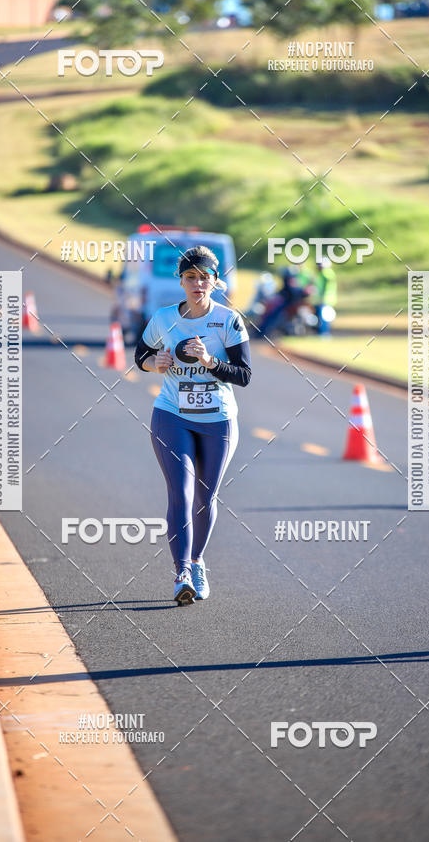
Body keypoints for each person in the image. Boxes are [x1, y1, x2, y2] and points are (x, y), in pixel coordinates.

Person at [135, 245, 251, 605]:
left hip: (217, 419)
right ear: (181, 281)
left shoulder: (229, 320)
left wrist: (209, 360)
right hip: (171, 414)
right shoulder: (164, 317)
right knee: (181, 493)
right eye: (190, 277)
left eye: (204, 278)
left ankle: (198, 562)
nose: (198, 284)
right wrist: (154, 363)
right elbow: (140, 355)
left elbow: (244, 375)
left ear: (215, 282)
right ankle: (182, 572)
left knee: (205, 497)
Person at [314, 257, 337, 335]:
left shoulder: (326, 272)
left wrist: (323, 298)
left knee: (324, 318)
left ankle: (324, 333)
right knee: (322, 317)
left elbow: (327, 284)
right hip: (325, 299)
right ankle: (321, 332)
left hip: (326, 299)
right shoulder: (324, 273)